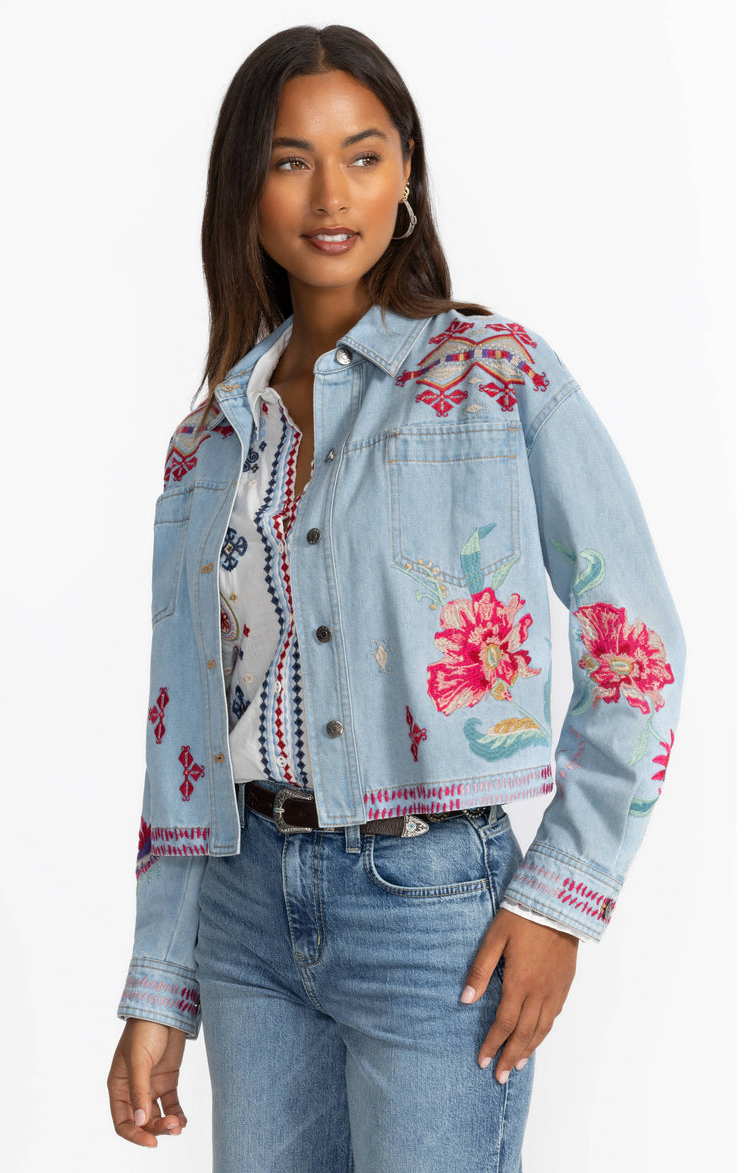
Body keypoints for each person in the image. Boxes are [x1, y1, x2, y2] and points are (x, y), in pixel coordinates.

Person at [106, 24, 684, 1172]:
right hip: (241, 916)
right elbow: (183, 734)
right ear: (246, 188)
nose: (332, 194)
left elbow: (636, 644)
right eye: (291, 160)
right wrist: (158, 981)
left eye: (362, 155)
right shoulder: (207, 439)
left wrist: (559, 895)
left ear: (405, 172)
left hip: (434, 915)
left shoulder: (495, 377)